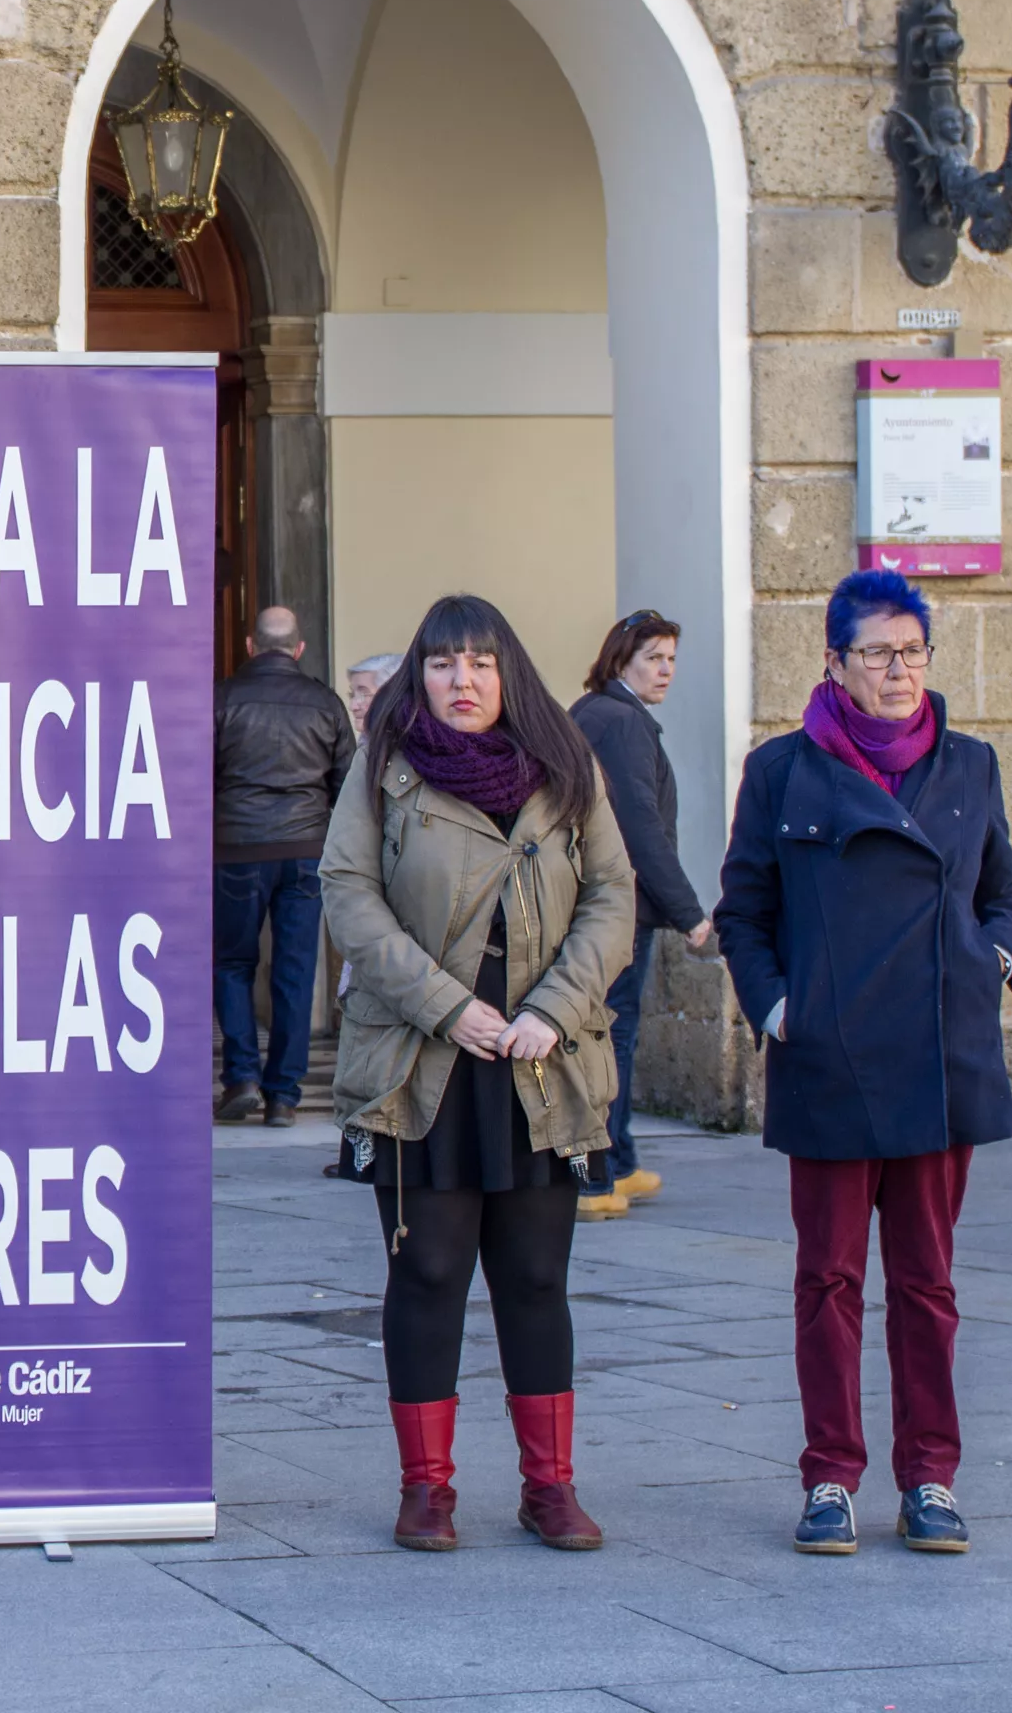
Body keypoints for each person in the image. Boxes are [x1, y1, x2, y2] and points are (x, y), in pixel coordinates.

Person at [713, 568, 1012, 1558]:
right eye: (878, 653)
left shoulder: (970, 766)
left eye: (913, 650)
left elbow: (1005, 891)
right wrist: (776, 1005)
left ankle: (931, 1475)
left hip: (941, 1055)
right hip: (831, 1060)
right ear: (834, 662)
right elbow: (745, 910)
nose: (899, 670)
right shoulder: (782, 771)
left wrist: (994, 958)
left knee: (928, 1282)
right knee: (829, 1279)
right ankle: (831, 1478)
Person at [323, 594, 634, 1554]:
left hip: (543, 1063)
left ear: (511, 675)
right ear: (420, 675)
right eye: (446, 664)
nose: (464, 682)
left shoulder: (568, 767)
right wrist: (449, 1007)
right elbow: (349, 892)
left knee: (537, 1277)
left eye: (482, 664)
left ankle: (551, 1488)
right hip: (428, 1060)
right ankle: (429, 1490)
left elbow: (614, 894)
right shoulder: (384, 767)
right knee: (427, 1270)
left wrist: (553, 1009)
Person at [567, 612, 715, 1222]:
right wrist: (691, 914)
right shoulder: (619, 721)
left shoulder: (600, 714)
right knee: (609, 1041)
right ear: (620, 658)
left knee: (609, 1037)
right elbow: (640, 829)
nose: (666, 671)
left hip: (608, 903)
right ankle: (595, 1178)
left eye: (672, 660)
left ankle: (618, 1163)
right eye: (654, 657)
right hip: (618, 908)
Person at [212, 607, 355, 1127]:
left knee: (232, 965)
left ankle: (241, 1078)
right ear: (298, 649)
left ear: (250, 646)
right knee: (296, 973)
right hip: (305, 851)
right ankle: (284, 1096)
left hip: (237, 850)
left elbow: (197, 780)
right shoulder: (326, 703)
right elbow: (348, 790)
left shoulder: (222, 698)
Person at [345, 652, 403, 736]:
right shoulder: (368, 745)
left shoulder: (414, 746)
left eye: (363, 695)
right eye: (352, 695)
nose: (352, 707)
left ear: (393, 696)